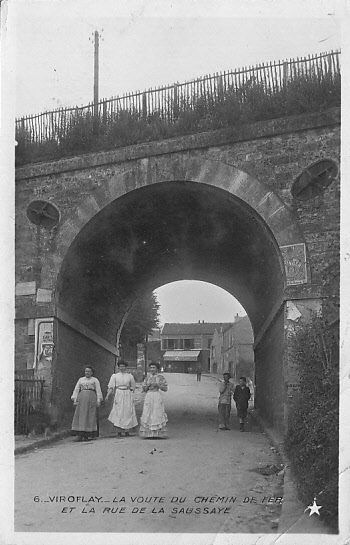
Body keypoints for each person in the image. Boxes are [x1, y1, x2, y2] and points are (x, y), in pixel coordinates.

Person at [105, 361, 138, 437]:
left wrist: (132, 393)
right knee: (118, 411)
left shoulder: (130, 376)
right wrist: (107, 395)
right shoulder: (115, 376)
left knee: (127, 411)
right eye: (120, 366)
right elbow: (111, 386)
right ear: (118, 367)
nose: (122, 368)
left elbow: (133, 386)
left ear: (126, 367)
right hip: (119, 394)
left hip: (127, 394)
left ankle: (127, 431)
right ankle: (118, 432)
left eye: (123, 366)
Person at [71, 365, 103, 442]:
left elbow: (98, 390)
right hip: (81, 398)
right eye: (86, 371)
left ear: (92, 372)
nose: (87, 373)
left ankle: (88, 434)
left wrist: (99, 400)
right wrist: (74, 399)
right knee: (81, 415)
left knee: (90, 415)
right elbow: (76, 389)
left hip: (91, 398)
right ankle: (80, 434)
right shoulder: (81, 380)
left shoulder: (95, 380)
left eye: (89, 371)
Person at [139, 362, 168, 438]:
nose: (152, 369)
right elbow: (143, 389)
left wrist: (158, 385)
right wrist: (147, 386)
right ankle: (148, 433)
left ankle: (158, 433)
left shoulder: (161, 377)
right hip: (149, 395)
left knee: (157, 412)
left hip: (157, 395)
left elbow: (165, 389)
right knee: (148, 412)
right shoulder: (147, 378)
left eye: (154, 368)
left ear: (157, 369)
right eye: (151, 368)